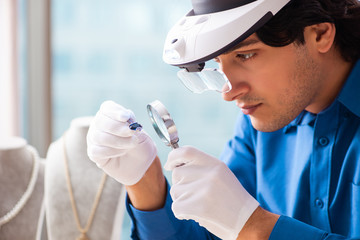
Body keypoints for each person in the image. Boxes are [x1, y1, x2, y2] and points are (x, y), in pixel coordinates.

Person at [86, 0, 360, 239]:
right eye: (218, 63)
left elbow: (243, 227)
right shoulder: (261, 122)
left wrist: (254, 226)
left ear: (320, 34)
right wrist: (145, 183)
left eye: (246, 55)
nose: (229, 94)